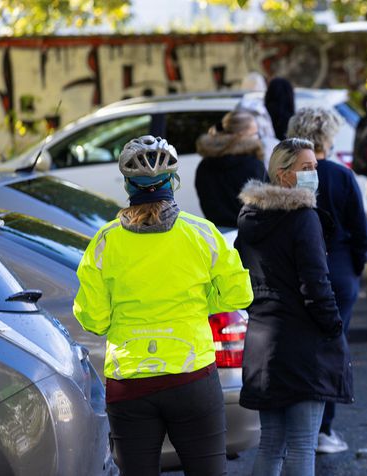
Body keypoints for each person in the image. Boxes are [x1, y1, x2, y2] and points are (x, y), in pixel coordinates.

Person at [73, 135, 254, 476]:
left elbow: (93, 319)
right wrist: (200, 302)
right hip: (192, 376)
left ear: (128, 185)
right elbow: (239, 296)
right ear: (173, 182)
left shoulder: (104, 242)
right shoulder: (203, 234)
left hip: (130, 381)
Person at [235, 138, 353, 476]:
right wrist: (333, 327)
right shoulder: (302, 218)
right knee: (302, 443)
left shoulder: (250, 217)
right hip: (302, 343)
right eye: (307, 168)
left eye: (315, 166)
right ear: (284, 175)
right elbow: (316, 284)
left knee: (272, 443)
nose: (315, 173)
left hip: (262, 341)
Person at [287, 107, 367, 453]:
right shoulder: (341, 176)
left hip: (296, 272)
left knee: (297, 348)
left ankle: (296, 428)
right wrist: (354, 269)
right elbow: (362, 234)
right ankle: (324, 429)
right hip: (338, 272)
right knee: (334, 349)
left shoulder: (284, 178)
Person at [195, 109, 269, 228]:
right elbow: (263, 206)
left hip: (216, 235)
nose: (258, 138)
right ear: (241, 135)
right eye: (255, 134)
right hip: (248, 233)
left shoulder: (204, 165)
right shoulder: (253, 165)